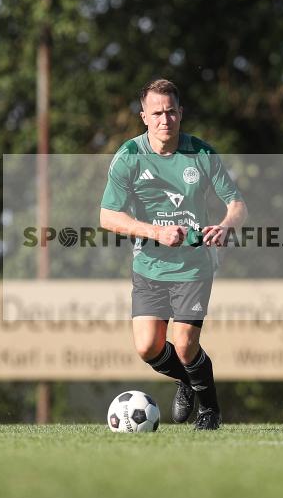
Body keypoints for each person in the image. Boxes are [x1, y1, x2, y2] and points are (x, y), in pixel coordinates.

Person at [100, 78, 247, 430]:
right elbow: (107, 217)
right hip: (149, 265)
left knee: (184, 344)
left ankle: (210, 410)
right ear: (144, 117)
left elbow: (238, 204)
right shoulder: (129, 157)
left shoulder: (202, 153)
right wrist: (155, 232)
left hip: (194, 266)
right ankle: (187, 380)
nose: (164, 119)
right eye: (157, 113)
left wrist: (226, 225)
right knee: (148, 348)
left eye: (171, 112)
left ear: (181, 114)